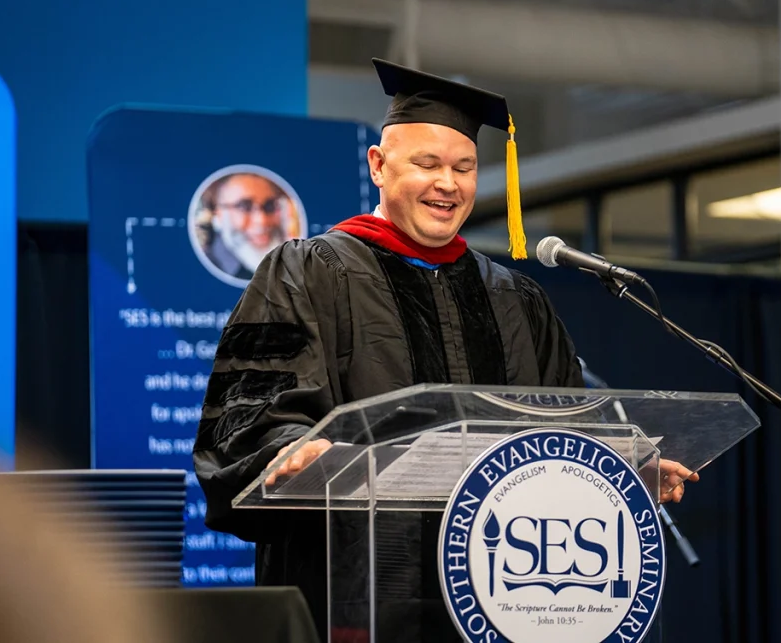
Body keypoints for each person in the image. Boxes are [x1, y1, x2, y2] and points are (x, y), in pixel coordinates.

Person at [193, 58, 696, 641]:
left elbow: (560, 433)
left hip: (503, 602)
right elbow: (248, 418)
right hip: (354, 601)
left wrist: (616, 470)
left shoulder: (516, 299)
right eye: (427, 164)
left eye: (464, 167)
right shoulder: (308, 273)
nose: (448, 184)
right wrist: (290, 450)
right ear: (379, 167)